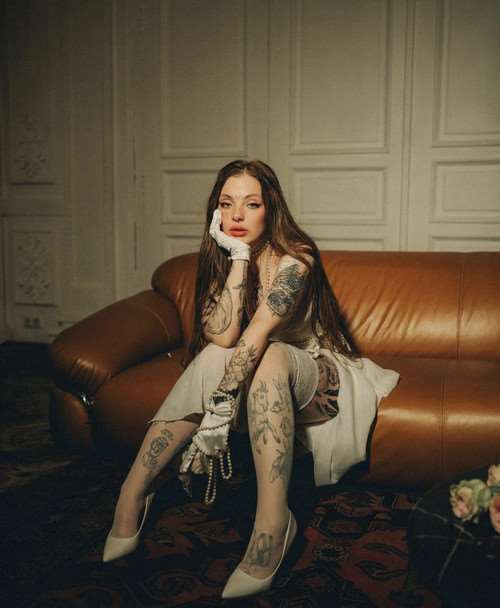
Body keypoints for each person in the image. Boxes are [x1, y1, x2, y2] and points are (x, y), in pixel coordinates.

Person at [102, 160, 400, 599]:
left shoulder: (297, 259)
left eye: (251, 204)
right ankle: (134, 492)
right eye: (227, 204)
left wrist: (220, 407)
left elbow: (258, 334)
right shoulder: (225, 259)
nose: (237, 215)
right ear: (215, 212)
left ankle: (273, 524)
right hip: (254, 376)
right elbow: (222, 336)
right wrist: (238, 259)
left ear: (270, 209)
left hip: (313, 377)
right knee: (214, 355)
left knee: (272, 352)